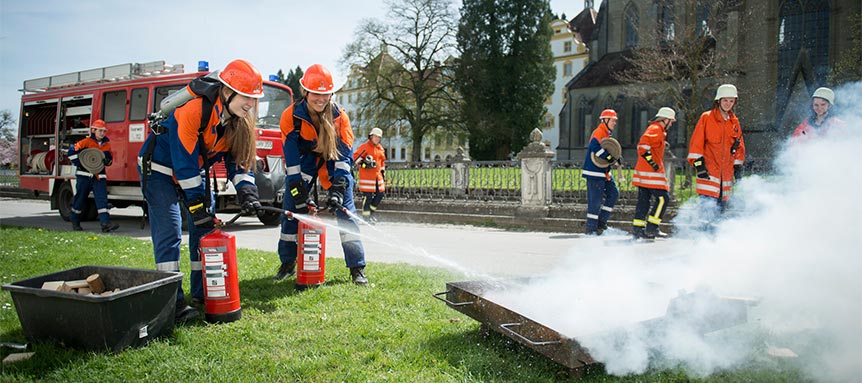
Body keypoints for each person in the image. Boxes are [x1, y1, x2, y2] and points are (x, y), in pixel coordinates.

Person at [137, 59, 264, 322]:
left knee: (204, 232)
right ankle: (172, 302)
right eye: (246, 97)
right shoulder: (193, 109)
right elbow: (183, 164)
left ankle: (202, 292)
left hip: (193, 172)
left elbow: (239, 164)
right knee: (170, 232)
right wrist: (196, 206)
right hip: (160, 170)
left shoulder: (238, 122)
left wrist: (247, 193)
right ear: (227, 91)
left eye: (254, 98)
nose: (250, 104)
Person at [275, 64, 368, 285]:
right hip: (304, 162)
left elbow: (344, 156)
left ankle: (357, 268)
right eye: (316, 93)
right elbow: (292, 159)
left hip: (333, 161)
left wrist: (338, 187)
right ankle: (288, 263)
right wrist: (297, 188)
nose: (320, 98)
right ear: (305, 92)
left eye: (325, 94)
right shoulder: (290, 117)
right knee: (291, 210)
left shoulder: (340, 118)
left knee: (346, 213)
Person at [687, 84, 746, 219]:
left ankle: (715, 240)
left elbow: (739, 148)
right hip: (708, 174)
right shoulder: (706, 118)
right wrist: (699, 166)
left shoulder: (734, 123)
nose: (728, 104)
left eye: (731, 101)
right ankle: (703, 239)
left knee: (719, 215)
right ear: (718, 100)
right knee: (706, 214)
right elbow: (696, 144)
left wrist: (738, 167)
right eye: (725, 100)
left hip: (725, 178)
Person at [67, 119, 119, 233]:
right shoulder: (85, 142)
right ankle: (75, 220)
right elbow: (70, 153)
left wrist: (107, 161)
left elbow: (109, 159)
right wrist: (83, 163)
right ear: (93, 130)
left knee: (102, 200)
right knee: (80, 198)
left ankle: (105, 224)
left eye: (104, 131)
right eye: (100, 131)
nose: (102, 133)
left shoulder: (107, 144)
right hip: (84, 175)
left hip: (99, 176)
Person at [632, 108, 675, 239]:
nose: (672, 124)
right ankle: (652, 227)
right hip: (651, 174)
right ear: (665, 120)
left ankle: (638, 230)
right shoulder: (656, 129)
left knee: (643, 201)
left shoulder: (656, 129)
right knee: (663, 198)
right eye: (671, 121)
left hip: (644, 173)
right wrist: (653, 163)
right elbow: (643, 146)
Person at [581, 109, 620, 236]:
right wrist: (610, 158)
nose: (615, 123)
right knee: (595, 202)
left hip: (603, 173)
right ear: (605, 120)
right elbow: (595, 148)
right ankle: (591, 229)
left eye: (615, 120)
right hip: (594, 172)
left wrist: (616, 157)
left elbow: (607, 149)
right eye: (613, 120)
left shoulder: (606, 133)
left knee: (613, 194)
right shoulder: (599, 131)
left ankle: (601, 222)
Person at [353, 127, 387, 224]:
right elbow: (355, 158)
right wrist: (364, 164)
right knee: (368, 197)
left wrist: (383, 171)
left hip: (378, 177)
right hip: (367, 177)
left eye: (378, 137)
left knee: (380, 195)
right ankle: (366, 218)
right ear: (371, 136)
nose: (376, 139)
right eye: (375, 136)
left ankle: (371, 213)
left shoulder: (380, 148)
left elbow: (382, 161)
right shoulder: (364, 147)